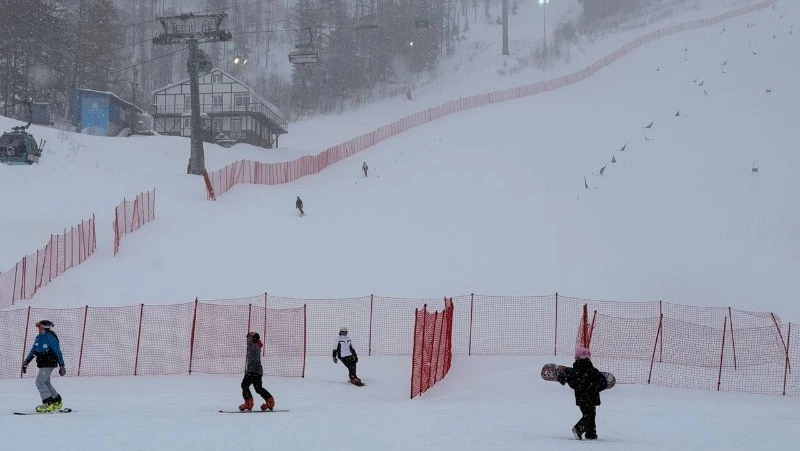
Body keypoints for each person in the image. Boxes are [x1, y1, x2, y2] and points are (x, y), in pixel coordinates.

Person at [557, 347, 608, 440]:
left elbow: (571, 383)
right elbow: (603, 383)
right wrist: (596, 387)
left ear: (577, 358)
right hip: (592, 397)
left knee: (589, 415)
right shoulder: (593, 371)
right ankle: (578, 429)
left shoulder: (573, 371)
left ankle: (590, 434)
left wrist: (564, 378)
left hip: (581, 398)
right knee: (590, 415)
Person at [22, 320, 66, 412]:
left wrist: (62, 365)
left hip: (49, 362)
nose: (39, 329)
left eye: (41, 328)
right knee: (45, 382)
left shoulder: (50, 337)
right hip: (42, 363)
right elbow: (34, 350)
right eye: (38, 327)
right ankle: (56, 400)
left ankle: (48, 403)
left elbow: (57, 351)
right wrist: (26, 362)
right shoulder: (38, 337)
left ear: (46, 328)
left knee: (39, 382)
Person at [239, 332, 275, 411]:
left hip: (252, 371)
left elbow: (252, 343)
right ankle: (270, 400)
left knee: (244, 385)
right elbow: (257, 343)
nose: (247, 340)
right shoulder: (256, 345)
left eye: (249, 338)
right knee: (258, 388)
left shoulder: (252, 346)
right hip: (257, 371)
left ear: (252, 339)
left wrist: (254, 338)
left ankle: (249, 402)